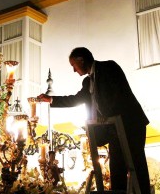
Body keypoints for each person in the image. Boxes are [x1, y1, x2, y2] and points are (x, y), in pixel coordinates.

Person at [37, 47, 150, 193]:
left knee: (136, 163)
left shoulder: (109, 67)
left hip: (131, 125)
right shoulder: (87, 82)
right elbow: (75, 99)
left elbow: (118, 94)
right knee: (116, 168)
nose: (74, 70)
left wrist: (106, 114)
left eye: (73, 65)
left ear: (81, 60)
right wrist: (51, 99)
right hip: (114, 129)